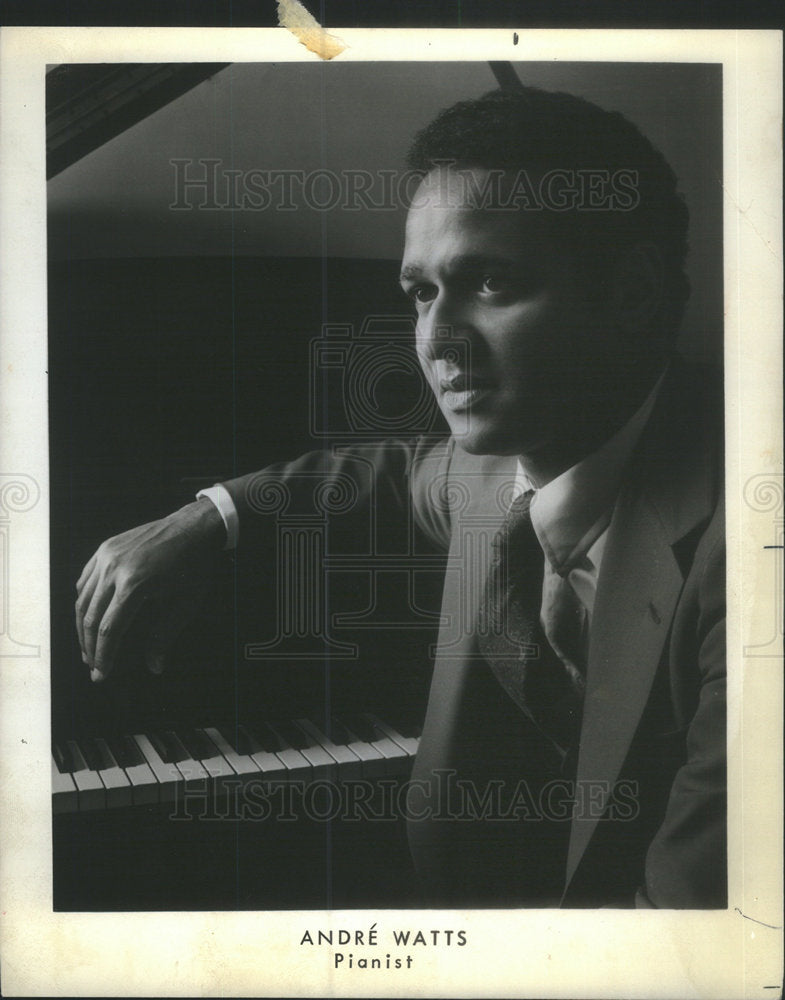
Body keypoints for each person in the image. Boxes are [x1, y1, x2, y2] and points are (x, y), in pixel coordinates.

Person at [74, 86, 725, 908]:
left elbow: (693, 933)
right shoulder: (491, 467)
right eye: (421, 292)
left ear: (632, 294)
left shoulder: (746, 552)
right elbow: (388, 471)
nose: (436, 341)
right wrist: (210, 516)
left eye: (490, 282)